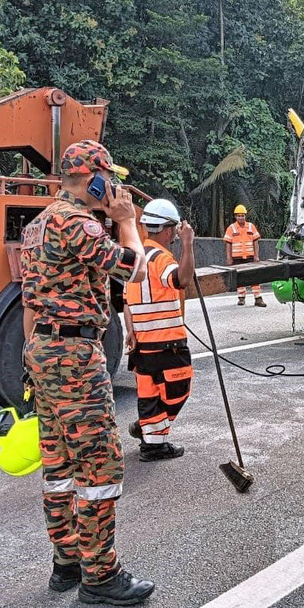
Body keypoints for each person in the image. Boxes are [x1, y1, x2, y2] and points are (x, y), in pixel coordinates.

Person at [20, 140, 155, 605]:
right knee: (99, 465)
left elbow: (26, 300)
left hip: (42, 348)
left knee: (58, 463)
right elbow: (132, 270)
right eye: (109, 179)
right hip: (74, 354)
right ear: (95, 177)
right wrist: (126, 221)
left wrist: (30, 358)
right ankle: (101, 577)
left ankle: (67, 562)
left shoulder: (39, 224)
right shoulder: (77, 222)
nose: (114, 187)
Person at [123, 198, 196, 461]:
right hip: (166, 344)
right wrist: (188, 243)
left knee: (150, 393)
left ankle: (152, 444)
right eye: (174, 230)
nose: (175, 234)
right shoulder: (160, 258)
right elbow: (182, 280)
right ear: (166, 230)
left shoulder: (136, 259)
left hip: (143, 345)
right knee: (179, 388)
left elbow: (126, 301)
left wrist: (130, 331)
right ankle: (148, 430)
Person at [224, 204, 266, 307]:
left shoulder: (251, 226)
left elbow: (256, 242)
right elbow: (228, 244)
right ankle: (241, 298)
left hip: (250, 256)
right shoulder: (231, 228)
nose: (241, 218)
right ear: (235, 216)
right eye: (238, 216)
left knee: (255, 276)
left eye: (242, 215)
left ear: (245, 216)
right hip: (237, 257)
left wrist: (256, 256)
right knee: (240, 278)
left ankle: (258, 298)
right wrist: (229, 258)